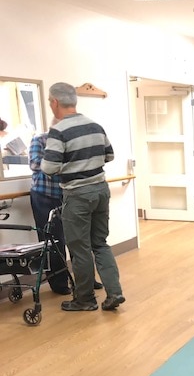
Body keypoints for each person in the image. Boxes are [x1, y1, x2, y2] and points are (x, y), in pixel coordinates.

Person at [41, 82, 125, 312]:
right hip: (100, 190)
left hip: (77, 194)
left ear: (55, 102)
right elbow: (110, 155)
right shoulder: (95, 126)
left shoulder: (59, 131)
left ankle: (85, 299)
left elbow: (48, 168)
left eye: (50, 102)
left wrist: (68, 165)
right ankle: (114, 292)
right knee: (100, 244)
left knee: (79, 249)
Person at [29, 118, 104, 295]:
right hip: (45, 196)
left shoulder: (73, 141)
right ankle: (59, 283)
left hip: (70, 195)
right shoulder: (40, 140)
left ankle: (86, 280)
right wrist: (62, 164)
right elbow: (34, 163)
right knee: (54, 241)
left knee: (79, 239)